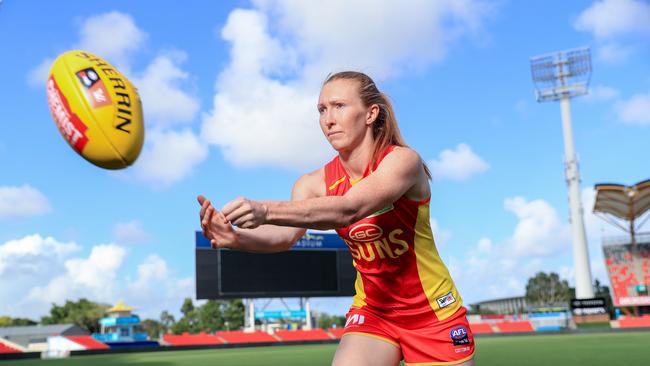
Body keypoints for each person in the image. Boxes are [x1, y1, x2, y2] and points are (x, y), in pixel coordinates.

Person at [198, 71, 475, 366]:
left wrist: (265, 210)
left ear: (371, 113)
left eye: (339, 106)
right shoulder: (311, 184)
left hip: (432, 312)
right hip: (374, 312)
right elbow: (285, 237)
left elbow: (350, 208)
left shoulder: (402, 161)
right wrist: (236, 238)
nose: (328, 119)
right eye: (322, 109)